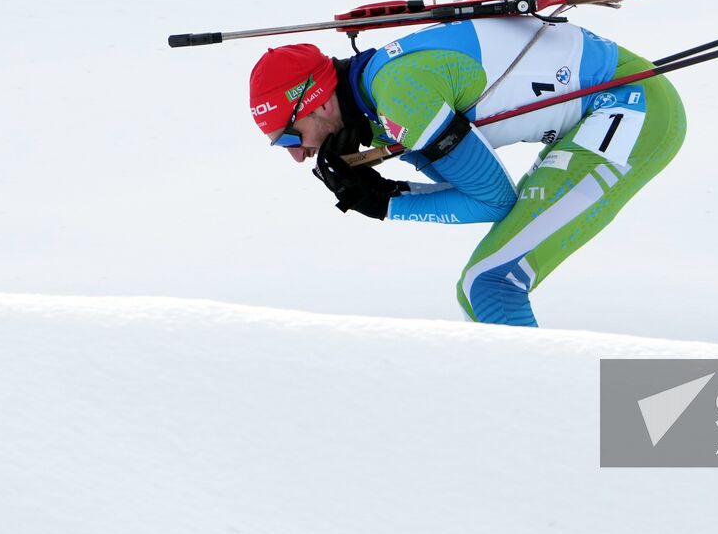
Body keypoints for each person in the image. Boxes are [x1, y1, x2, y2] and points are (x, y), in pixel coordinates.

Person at [248, 16, 686, 327]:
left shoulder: (399, 94)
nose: (298, 155)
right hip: (612, 111)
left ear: (320, 100)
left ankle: (540, 422)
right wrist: (385, 194)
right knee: (481, 286)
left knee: (491, 284)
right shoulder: (383, 105)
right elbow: (478, 195)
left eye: (291, 137)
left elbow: (493, 200)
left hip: (630, 109)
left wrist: (384, 202)